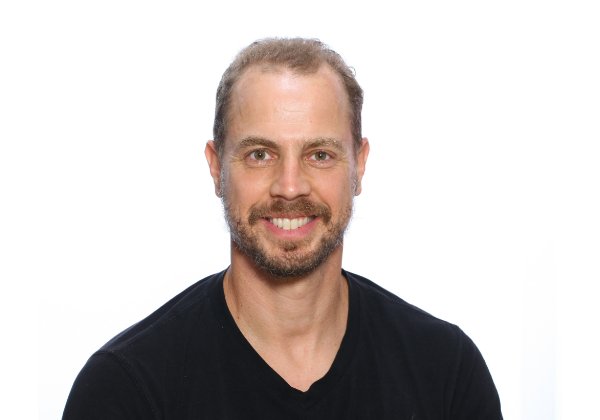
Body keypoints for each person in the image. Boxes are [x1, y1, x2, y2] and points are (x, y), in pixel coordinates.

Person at [63, 38, 503, 419]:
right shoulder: (125, 389)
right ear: (216, 168)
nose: (290, 187)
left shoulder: (446, 372)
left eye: (319, 155)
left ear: (359, 165)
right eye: (260, 154)